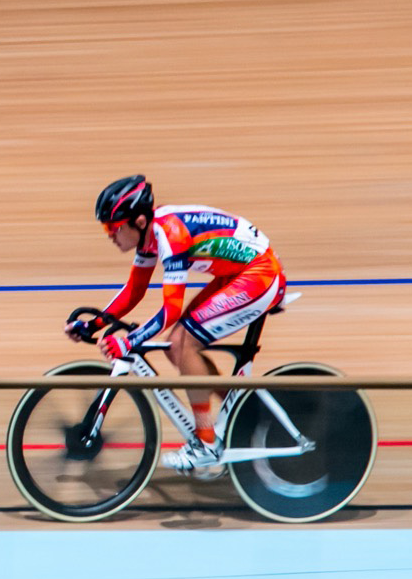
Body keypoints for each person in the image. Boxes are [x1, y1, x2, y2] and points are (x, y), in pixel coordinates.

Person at [72, 175, 286, 476]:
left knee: (181, 342)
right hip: (238, 273)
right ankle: (241, 417)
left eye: (113, 227)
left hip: (260, 275)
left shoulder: (171, 236)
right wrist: (94, 322)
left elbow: (171, 310)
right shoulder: (149, 237)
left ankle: (206, 442)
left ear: (140, 221)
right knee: (179, 350)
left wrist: (129, 341)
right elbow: (134, 290)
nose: (110, 234)